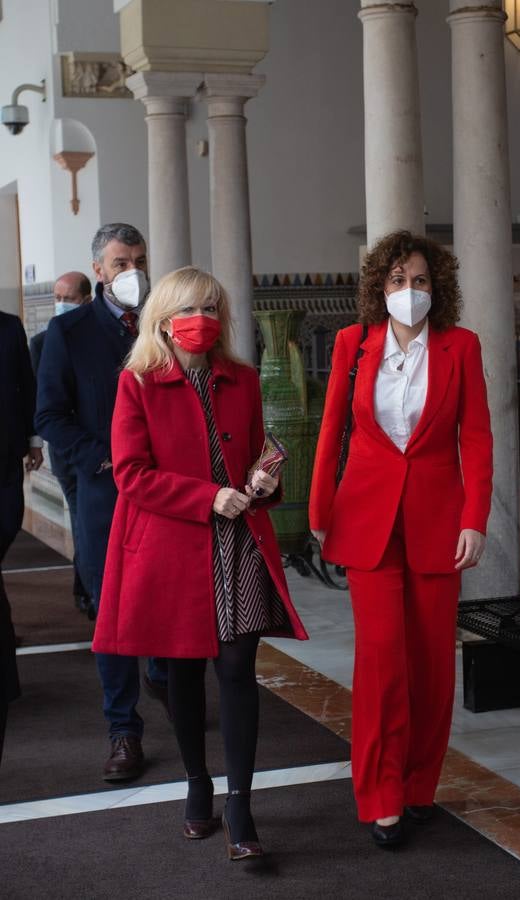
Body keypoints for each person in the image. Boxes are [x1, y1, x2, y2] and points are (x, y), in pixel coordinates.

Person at [92, 266, 307, 860]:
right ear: (163, 317)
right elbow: (132, 475)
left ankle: (240, 801)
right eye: (192, 308)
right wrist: (207, 496)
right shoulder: (137, 381)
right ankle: (196, 781)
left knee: (237, 669)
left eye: (214, 308)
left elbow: (261, 450)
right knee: (182, 670)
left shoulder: (242, 377)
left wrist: (264, 479)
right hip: (174, 544)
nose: (204, 319)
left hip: (238, 540)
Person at [309, 231, 493, 848]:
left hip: (439, 522)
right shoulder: (352, 344)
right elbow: (332, 426)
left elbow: (477, 438)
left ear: (435, 289)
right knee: (383, 661)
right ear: (377, 288)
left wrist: (474, 518)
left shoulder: (461, 346)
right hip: (366, 520)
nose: (407, 291)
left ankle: (419, 786)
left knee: (434, 666)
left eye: (418, 281)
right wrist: (318, 507)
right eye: (395, 281)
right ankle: (382, 794)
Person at [35, 223, 168, 781]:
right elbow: (49, 418)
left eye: (139, 259)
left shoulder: (164, 325)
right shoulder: (68, 333)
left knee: (162, 597)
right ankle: (123, 730)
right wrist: (107, 457)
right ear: (99, 271)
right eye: (120, 262)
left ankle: (170, 686)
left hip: (164, 495)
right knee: (111, 610)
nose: (132, 270)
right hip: (105, 493)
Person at [30, 271, 93, 617]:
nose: (60, 303)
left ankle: (86, 587)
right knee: (81, 519)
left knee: (89, 521)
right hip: (66, 450)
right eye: (57, 296)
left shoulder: (97, 340)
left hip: (96, 447)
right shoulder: (41, 344)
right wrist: (35, 442)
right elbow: (40, 403)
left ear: (85, 299)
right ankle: (88, 589)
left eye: (66, 296)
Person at [0, 311, 43, 763]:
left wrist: (33, 439)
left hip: (5, 456)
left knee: (8, 523)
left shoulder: (9, 327)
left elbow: (25, 386)